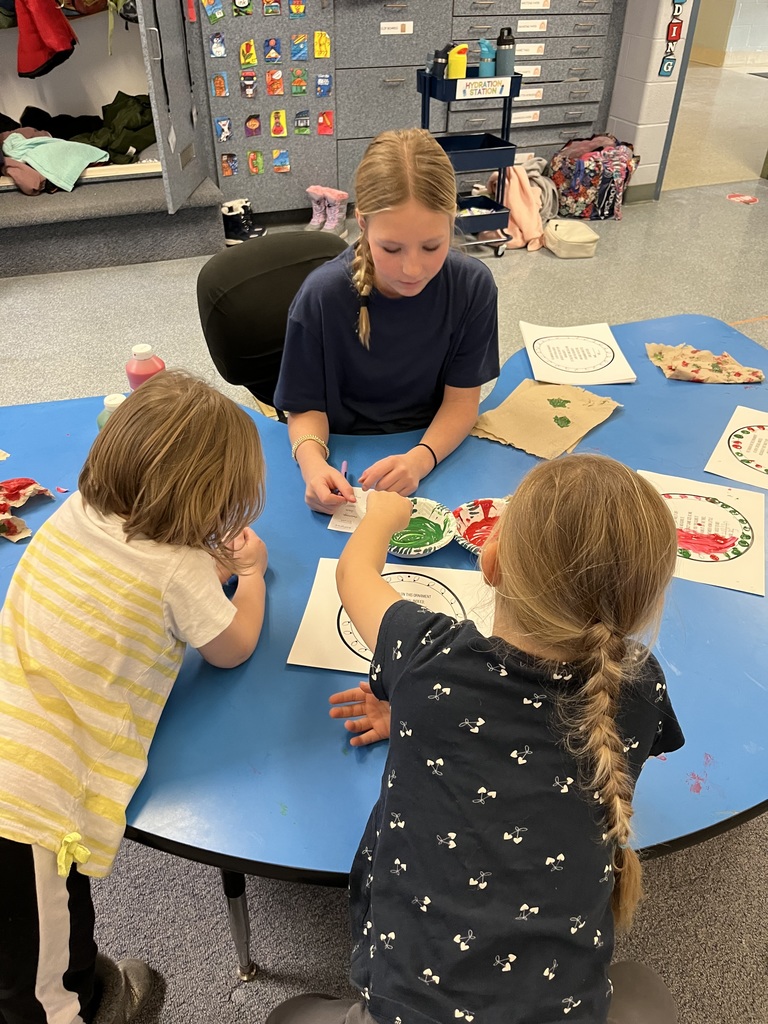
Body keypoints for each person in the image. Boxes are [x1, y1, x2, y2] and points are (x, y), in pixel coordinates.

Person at [267, 454, 685, 1024]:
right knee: (637, 986)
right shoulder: (638, 686)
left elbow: (354, 577)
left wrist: (383, 516)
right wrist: (411, 720)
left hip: (404, 1013)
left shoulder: (429, 657)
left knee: (290, 1013)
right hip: (563, 1013)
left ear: (489, 561)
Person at [0, 371, 269, 1024]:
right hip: (28, 808)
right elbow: (232, 646)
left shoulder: (76, 511)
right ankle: (82, 1004)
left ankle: (93, 984)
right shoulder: (178, 568)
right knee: (34, 994)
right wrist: (253, 574)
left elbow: (127, 574)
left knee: (52, 927)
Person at [272, 128, 500, 515]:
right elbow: (304, 408)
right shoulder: (322, 297)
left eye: (432, 246)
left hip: (435, 449)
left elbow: (462, 401)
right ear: (362, 222)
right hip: (344, 454)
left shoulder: (472, 288)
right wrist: (313, 466)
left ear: (452, 221)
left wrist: (421, 458)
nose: (413, 269)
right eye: (391, 248)